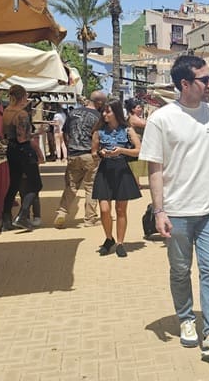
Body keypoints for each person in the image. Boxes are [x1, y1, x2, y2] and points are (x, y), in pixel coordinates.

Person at [139, 54, 209, 359]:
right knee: (181, 270)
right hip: (177, 213)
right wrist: (158, 211)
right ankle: (185, 319)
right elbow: (154, 168)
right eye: (205, 79)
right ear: (185, 84)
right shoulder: (161, 119)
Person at [91, 98, 142, 258]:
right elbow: (93, 153)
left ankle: (120, 242)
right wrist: (100, 153)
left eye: (108, 111)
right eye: (103, 111)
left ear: (116, 112)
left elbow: (139, 150)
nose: (104, 114)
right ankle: (109, 238)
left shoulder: (127, 130)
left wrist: (121, 151)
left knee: (121, 209)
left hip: (122, 170)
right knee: (104, 209)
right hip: (105, 171)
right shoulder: (98, 131)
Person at [54, 91, 106, 229]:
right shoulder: (98, 117)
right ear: (99, 102)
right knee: (91, 187)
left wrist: (69, 149)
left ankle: (62, 212)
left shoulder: (72, 113)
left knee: (71, 186)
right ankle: (90, 218)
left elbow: (65, 133)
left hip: (73, 154)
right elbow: (100, 137)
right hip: (90, 155)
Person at [1, 85, 46, 231]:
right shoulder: (22, 114)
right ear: (23, 96)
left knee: (14, 185)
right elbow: (23, 138)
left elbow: (5, 134)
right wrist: (37, 133)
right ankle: (23, 214)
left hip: (11, 149)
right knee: (36, 184)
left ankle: (6, 219)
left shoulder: (6, 111)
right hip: (24, 151)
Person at [124, 98, 149, 182]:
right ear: (133, 109)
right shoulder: (134, 118)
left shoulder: (134, 117)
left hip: (137, 143)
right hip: (136, 143)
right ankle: (135, 183)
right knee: (136, 165)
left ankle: (136, 182)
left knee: (136, 165)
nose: (141, 109)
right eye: (138, 107)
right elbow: (147, 124)